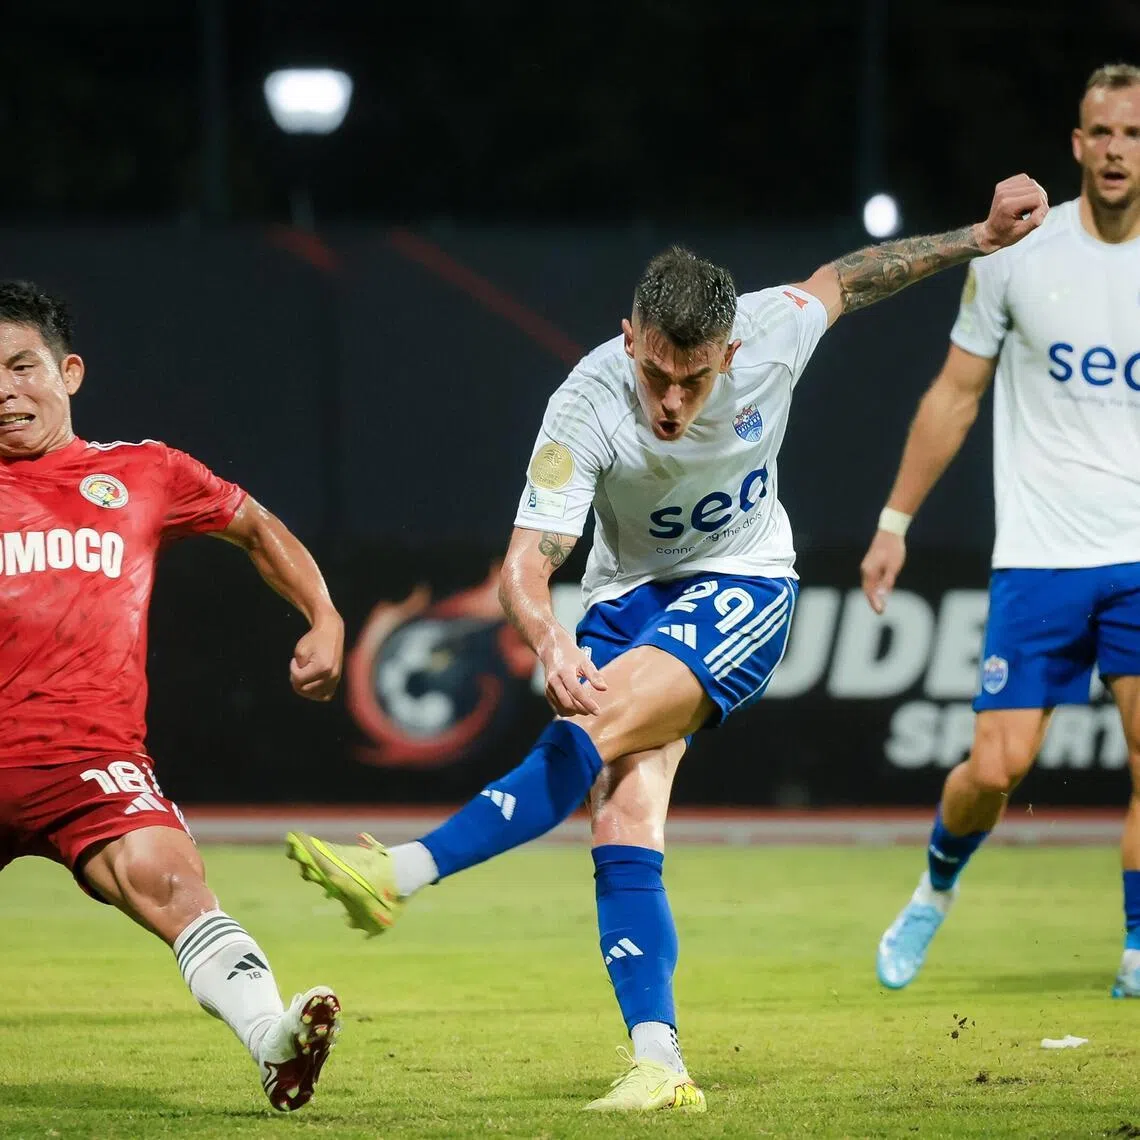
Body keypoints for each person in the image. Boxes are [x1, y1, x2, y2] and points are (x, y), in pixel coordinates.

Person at [287, 173, 1047, 1111]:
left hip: (744, 582)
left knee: (599, 726)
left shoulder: (774, 330)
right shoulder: (585, 405)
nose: (674, 402)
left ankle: (399, 870)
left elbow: (850, 276)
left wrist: (977, 235)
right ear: (627, 337)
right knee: (622, 820)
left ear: (732, 349)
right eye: (656, 373)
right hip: (621, 599)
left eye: (697, 378)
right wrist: (549, 636)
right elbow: (525, 563)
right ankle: (661, 1063)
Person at [0, 281, 345, 1111]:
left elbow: (257, 526)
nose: (4, 392)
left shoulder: (142, 473)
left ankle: (275, 1038)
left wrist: (325, 615)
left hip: (89, 763)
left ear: (69, 371)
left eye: (21, 367)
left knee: (174, 883)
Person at [863, 64, 1140, 995]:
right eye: (1101, 132)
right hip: (1041, 557)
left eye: (1133, 134)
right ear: (1076, 143)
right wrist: (896, 522)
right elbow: (954, 394)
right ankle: (935, 889)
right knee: (998, 764)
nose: (1116, 150)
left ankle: (1139, 949)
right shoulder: (1018, 253)